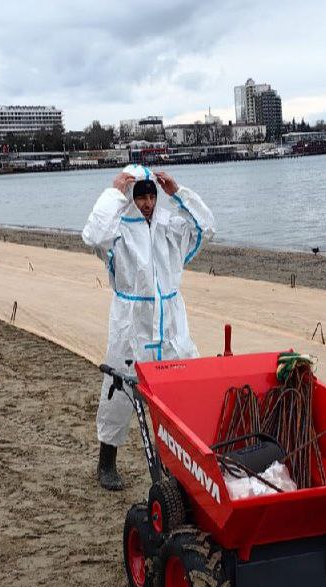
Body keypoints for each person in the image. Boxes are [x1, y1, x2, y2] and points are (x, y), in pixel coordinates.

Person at [82, 164, 215, 490]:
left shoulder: (169, 227)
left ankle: (178, 460)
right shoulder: (117, 234)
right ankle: (106, 461)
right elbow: (92, 235)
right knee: (118, 391)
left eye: (151, 196)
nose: (147, 203)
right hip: (131, 322)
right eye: (140, 197)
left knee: (182, 392)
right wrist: (114, 193)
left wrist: (178, 193)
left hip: (170, 322)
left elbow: (206, 226)